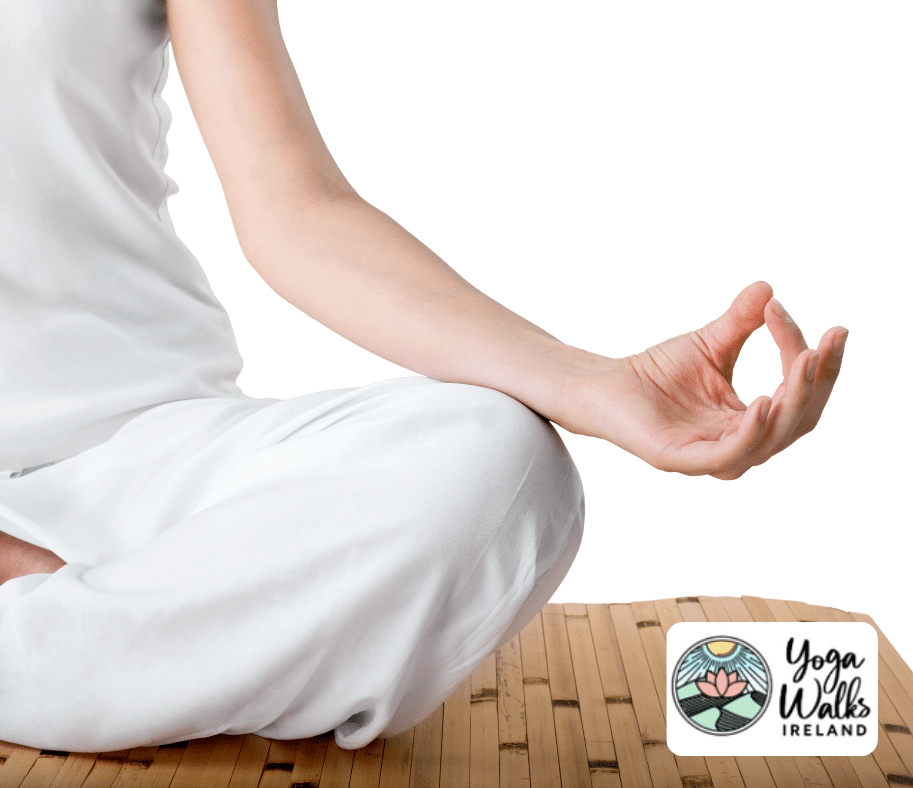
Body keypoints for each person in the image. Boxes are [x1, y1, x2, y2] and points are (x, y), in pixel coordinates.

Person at [0, 0, 847, 754]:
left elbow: (296, 209)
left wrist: (590, 384)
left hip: (155, 452)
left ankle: (66, 651)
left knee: (500, 462)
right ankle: (128, 652)